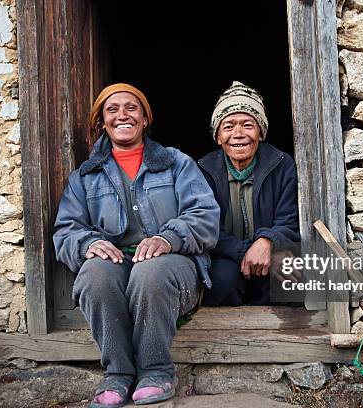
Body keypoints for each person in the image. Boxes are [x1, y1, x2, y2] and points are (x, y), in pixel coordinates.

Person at [53, 83, 219, 407]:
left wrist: (166, 238)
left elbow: (205, 215)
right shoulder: (85, 177)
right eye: (112, 110)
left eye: (131, 108)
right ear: (102, 122)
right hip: (118, 266)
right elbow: (65, 231)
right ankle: (117, 376)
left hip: (174, 265)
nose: (122, 115)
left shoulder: (176, 163)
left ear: (145, 119)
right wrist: (88, 243)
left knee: (149, 272)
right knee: (94, 276)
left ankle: (156, 371)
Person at [198, 81, 300, 306]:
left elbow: (288, 221)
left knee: (291, 275)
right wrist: (247, 250)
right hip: (224, 255)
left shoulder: (281, 164)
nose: (238, 134)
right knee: (221, 280)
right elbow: (205, 228)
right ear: (218, 136)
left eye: (247, 125)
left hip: (272, 250)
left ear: (260, 132)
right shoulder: (203, 170)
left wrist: (267, 242)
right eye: (228, 126)